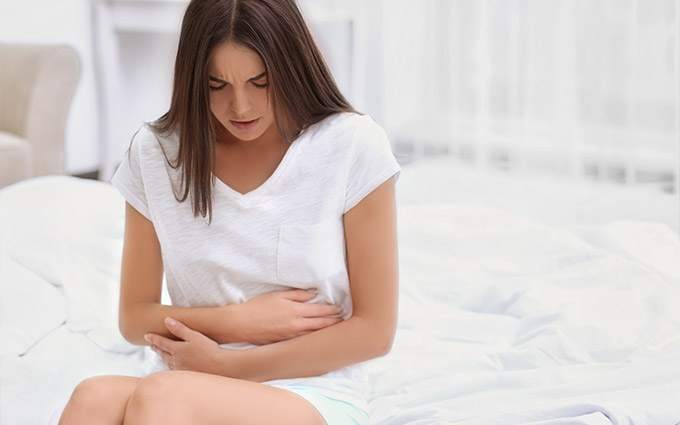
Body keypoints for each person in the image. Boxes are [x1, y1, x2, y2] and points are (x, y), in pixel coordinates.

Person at [58, 0, 400, 423]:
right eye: (217, 85)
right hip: (186, 376)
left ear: (291, 66)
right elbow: (134, 317)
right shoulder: (157, 154)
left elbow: (374, 331)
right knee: (91, 398)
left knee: (163, 397)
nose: (241, 107)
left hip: (311, 388)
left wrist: (227, 366)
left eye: (261, 82)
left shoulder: (351, 145)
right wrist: (240, 322)